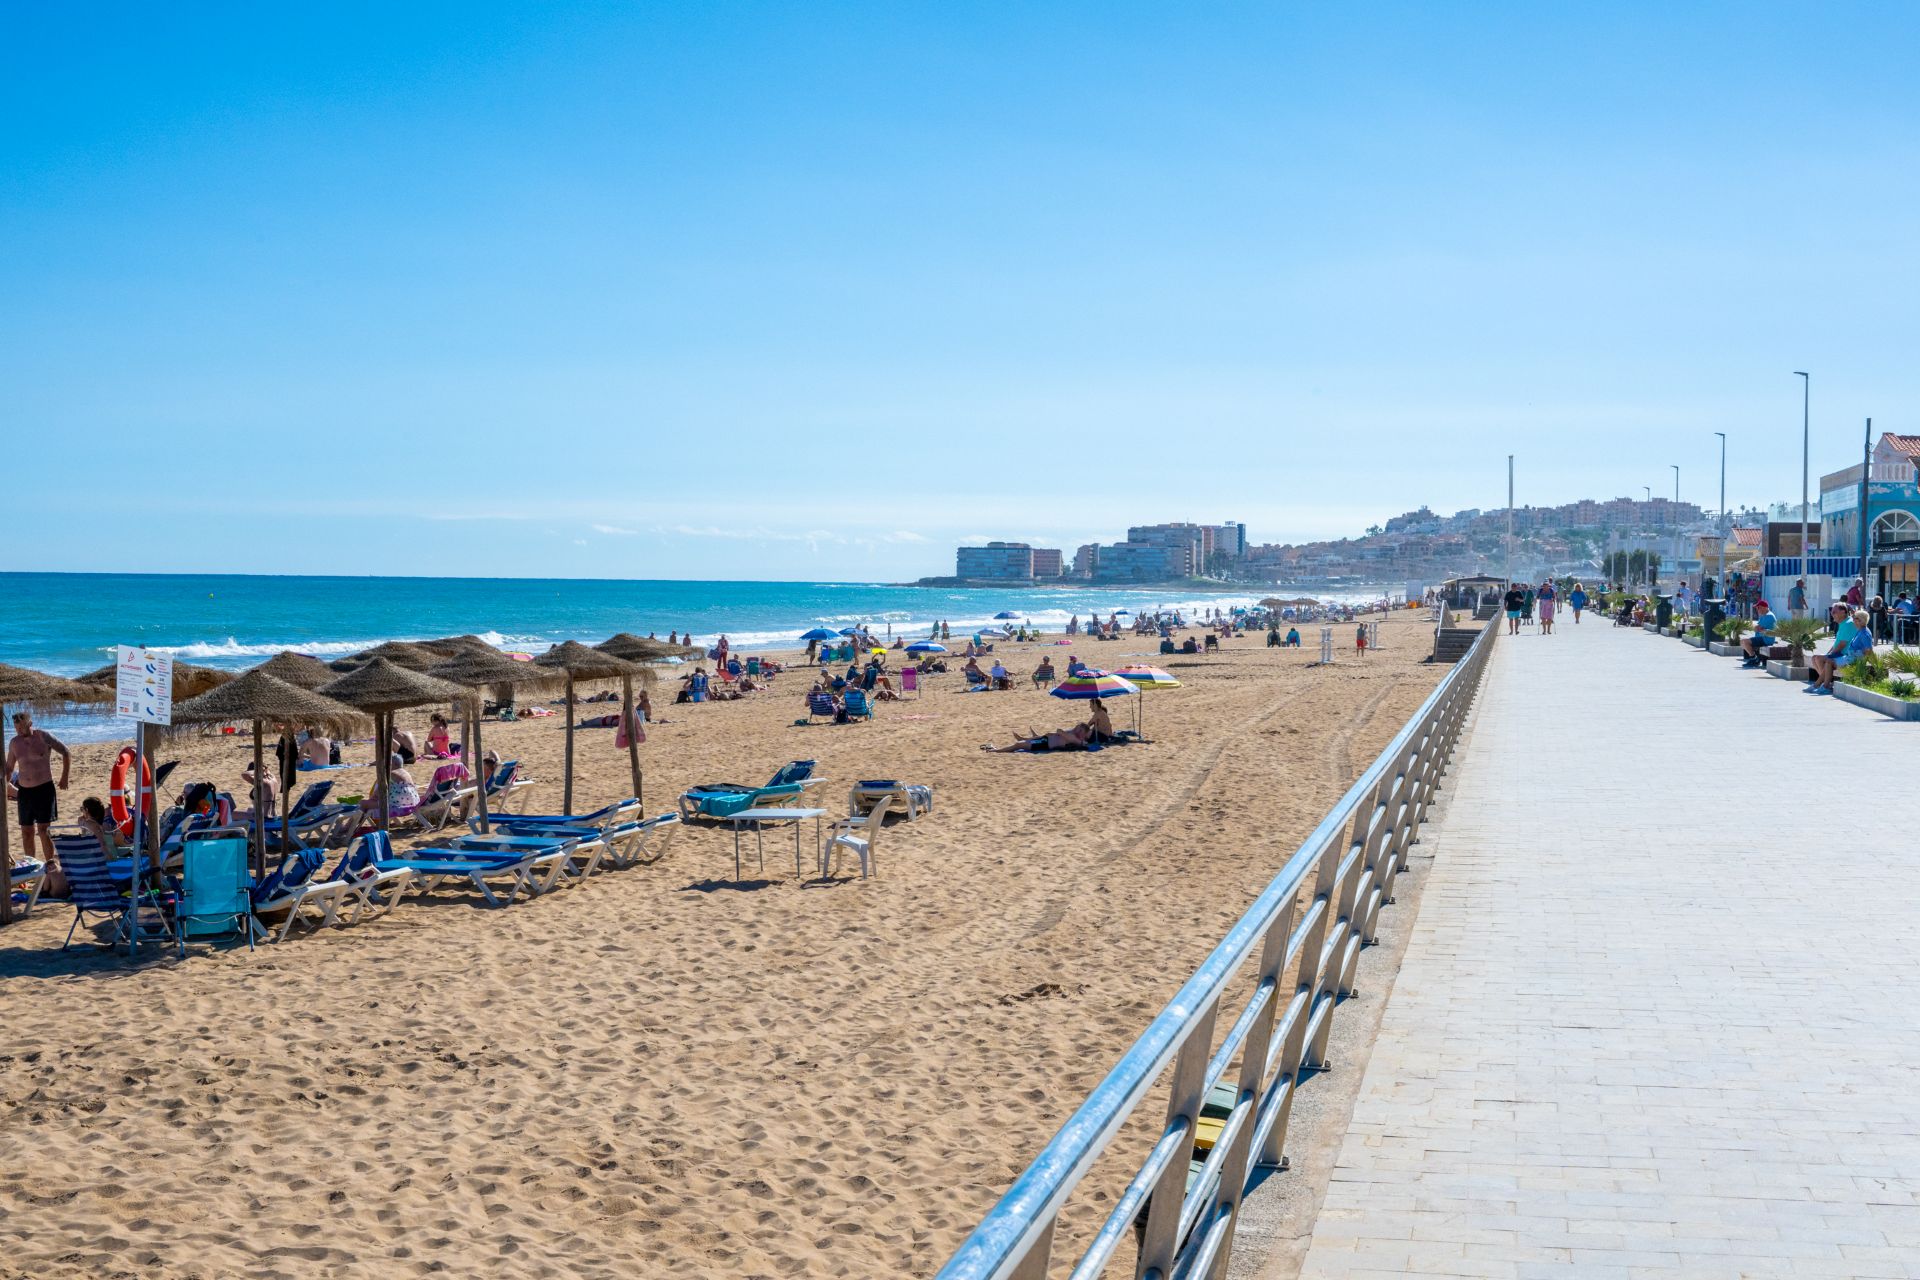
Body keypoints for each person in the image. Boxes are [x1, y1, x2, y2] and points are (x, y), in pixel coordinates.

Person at [6, 710, 69, 885]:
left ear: (30, 724)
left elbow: (65, 752)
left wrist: (64, 777)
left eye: (22, 726)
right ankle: (30, 869)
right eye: (16, 727)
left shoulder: (43, 737)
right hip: (25, 792)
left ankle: (50, 868)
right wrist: (5, 783)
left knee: (43, 831)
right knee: (26, 832)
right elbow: (10, 768)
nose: (19, 730)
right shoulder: (14, 743)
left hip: (44, 790)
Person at [1806, 603, 1854, 693]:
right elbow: (1837, 643)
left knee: (1820, 659)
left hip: (1844, 654)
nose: (1832, 614)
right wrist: (1828, 654)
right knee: (1814, 658)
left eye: (1834, 612)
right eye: (1831, 612)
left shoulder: (1849, 624)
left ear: (1843, 612)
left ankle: (1823, 684)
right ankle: (1826, 683)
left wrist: (1829, 656)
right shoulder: (1843, 623)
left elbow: (1842, 645)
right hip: (1838, 653)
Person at [982, 724, 1092, 753]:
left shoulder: (1074, 738)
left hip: (1044, 744)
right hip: (1045, 740)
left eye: (1080, 729)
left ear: (1083, 733)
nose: (1077, 729)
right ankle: (1025, 738)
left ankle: (995, 751)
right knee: (1022, 742)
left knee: (1018, 745)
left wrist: (1072, 731)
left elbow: (1060, 732)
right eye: (1078, 728)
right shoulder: (1074, 736)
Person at [1740, 600, 1779, 667]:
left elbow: (1756, 628)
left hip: (1766, 639)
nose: (1757, 609)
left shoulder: (1769, 616)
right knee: (1742, 641)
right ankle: (1755, 658)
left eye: (1758, 607)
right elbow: (1756, 628)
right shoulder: (1764, 615)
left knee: (1745, 641)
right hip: (1761, 638)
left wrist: (1758, 628)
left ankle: (1754, 659)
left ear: (1764, 607)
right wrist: (1758, 628)